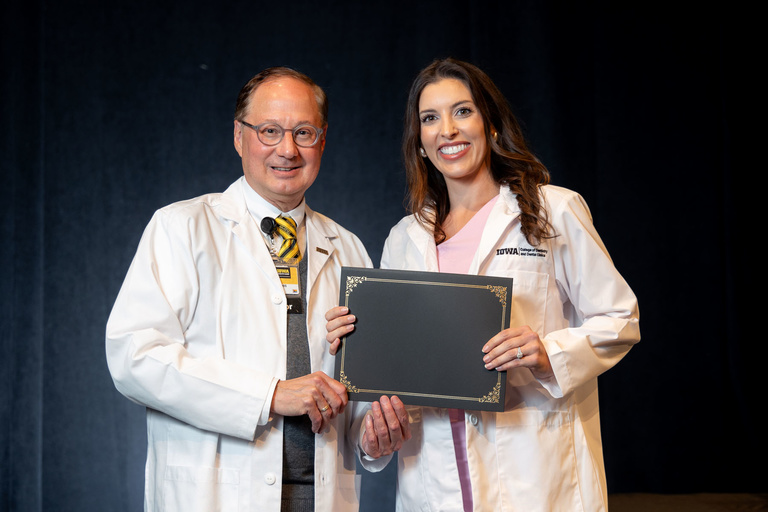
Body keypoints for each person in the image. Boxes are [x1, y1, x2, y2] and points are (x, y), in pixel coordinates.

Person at [326, 58, 640, 511]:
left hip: (535, 473)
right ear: (420, 144)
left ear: (490, 125)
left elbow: (620, 318)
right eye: (430, 119)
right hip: (433, 481)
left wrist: (548, 353)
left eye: (463, 111)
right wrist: (363, 364)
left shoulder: (552, 210)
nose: (447, 130)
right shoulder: (404, 238)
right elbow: (403, 371)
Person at [105, 67, 407, 512]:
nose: (287, 149)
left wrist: (373, 439)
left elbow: (357, 390)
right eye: (269, 130)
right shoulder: (182, 228)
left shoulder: (350, 249)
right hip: (216, 496)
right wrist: (269, 393)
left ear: (323, 141)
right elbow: (134, 356)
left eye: (304, 132)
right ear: (238, 136)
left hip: (321, 496)